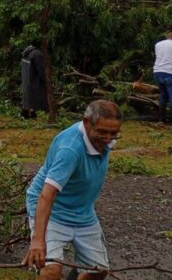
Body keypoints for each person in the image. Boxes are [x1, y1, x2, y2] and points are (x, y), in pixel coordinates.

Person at [24, 100, 121, 280]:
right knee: (50, 271)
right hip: (53, 210)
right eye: (102, 132)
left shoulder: (103, 139)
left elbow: (106, 137)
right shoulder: (70, 150)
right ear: (86, 123)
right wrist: (37, 241)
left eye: (114, 133)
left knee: (98, 271)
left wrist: (106, 135)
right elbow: (47, 195)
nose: (108, 139)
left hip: (82, 211)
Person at [20, 43, 48, 119]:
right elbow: (41, 70)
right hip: (34, 80)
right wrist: (46, 80)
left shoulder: (26, 52)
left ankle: (28, 114)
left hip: (26, 79)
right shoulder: (37, 54)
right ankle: (27, 114)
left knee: (28, 98)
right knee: (34, 98)